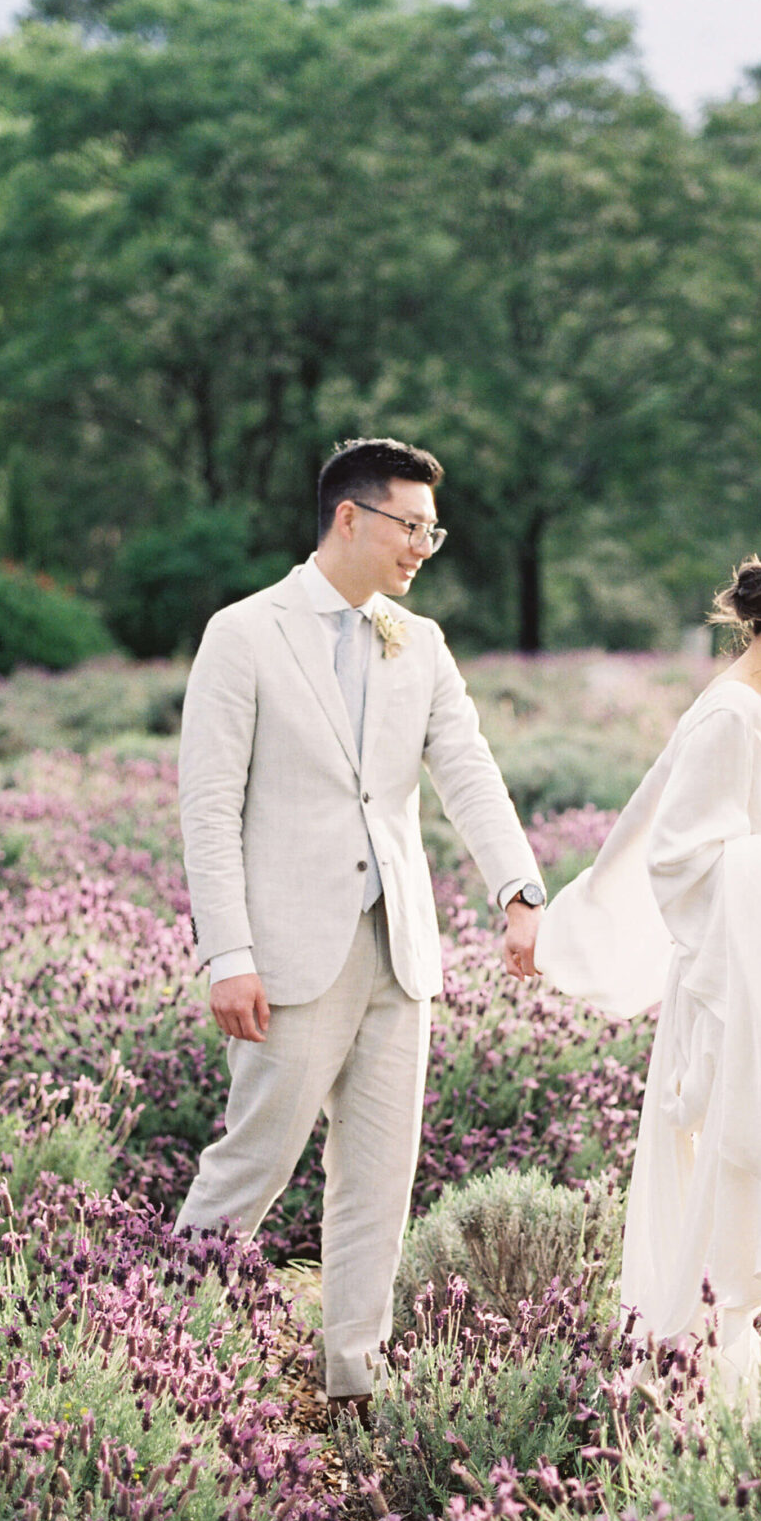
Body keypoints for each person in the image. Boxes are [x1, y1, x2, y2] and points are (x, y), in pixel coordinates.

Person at [175, 436, 545, 1414]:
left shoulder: (416, 641)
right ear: (350, 516)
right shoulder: (244, 633)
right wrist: (229, 953)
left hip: (400, 951)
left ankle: (356, 1376)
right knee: (250, 1165)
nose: (424, 544)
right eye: (409, 525)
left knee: (379, 1176)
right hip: (286, 954)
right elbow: (208, 808)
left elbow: (466, 769)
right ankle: (158, 1345)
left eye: (433, 529)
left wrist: (518, 888)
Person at [537, 533, 761, 1394]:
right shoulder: (730, 714)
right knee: (739, 1213)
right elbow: (682, 865)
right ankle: (706, 1385)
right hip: (737, 1013)